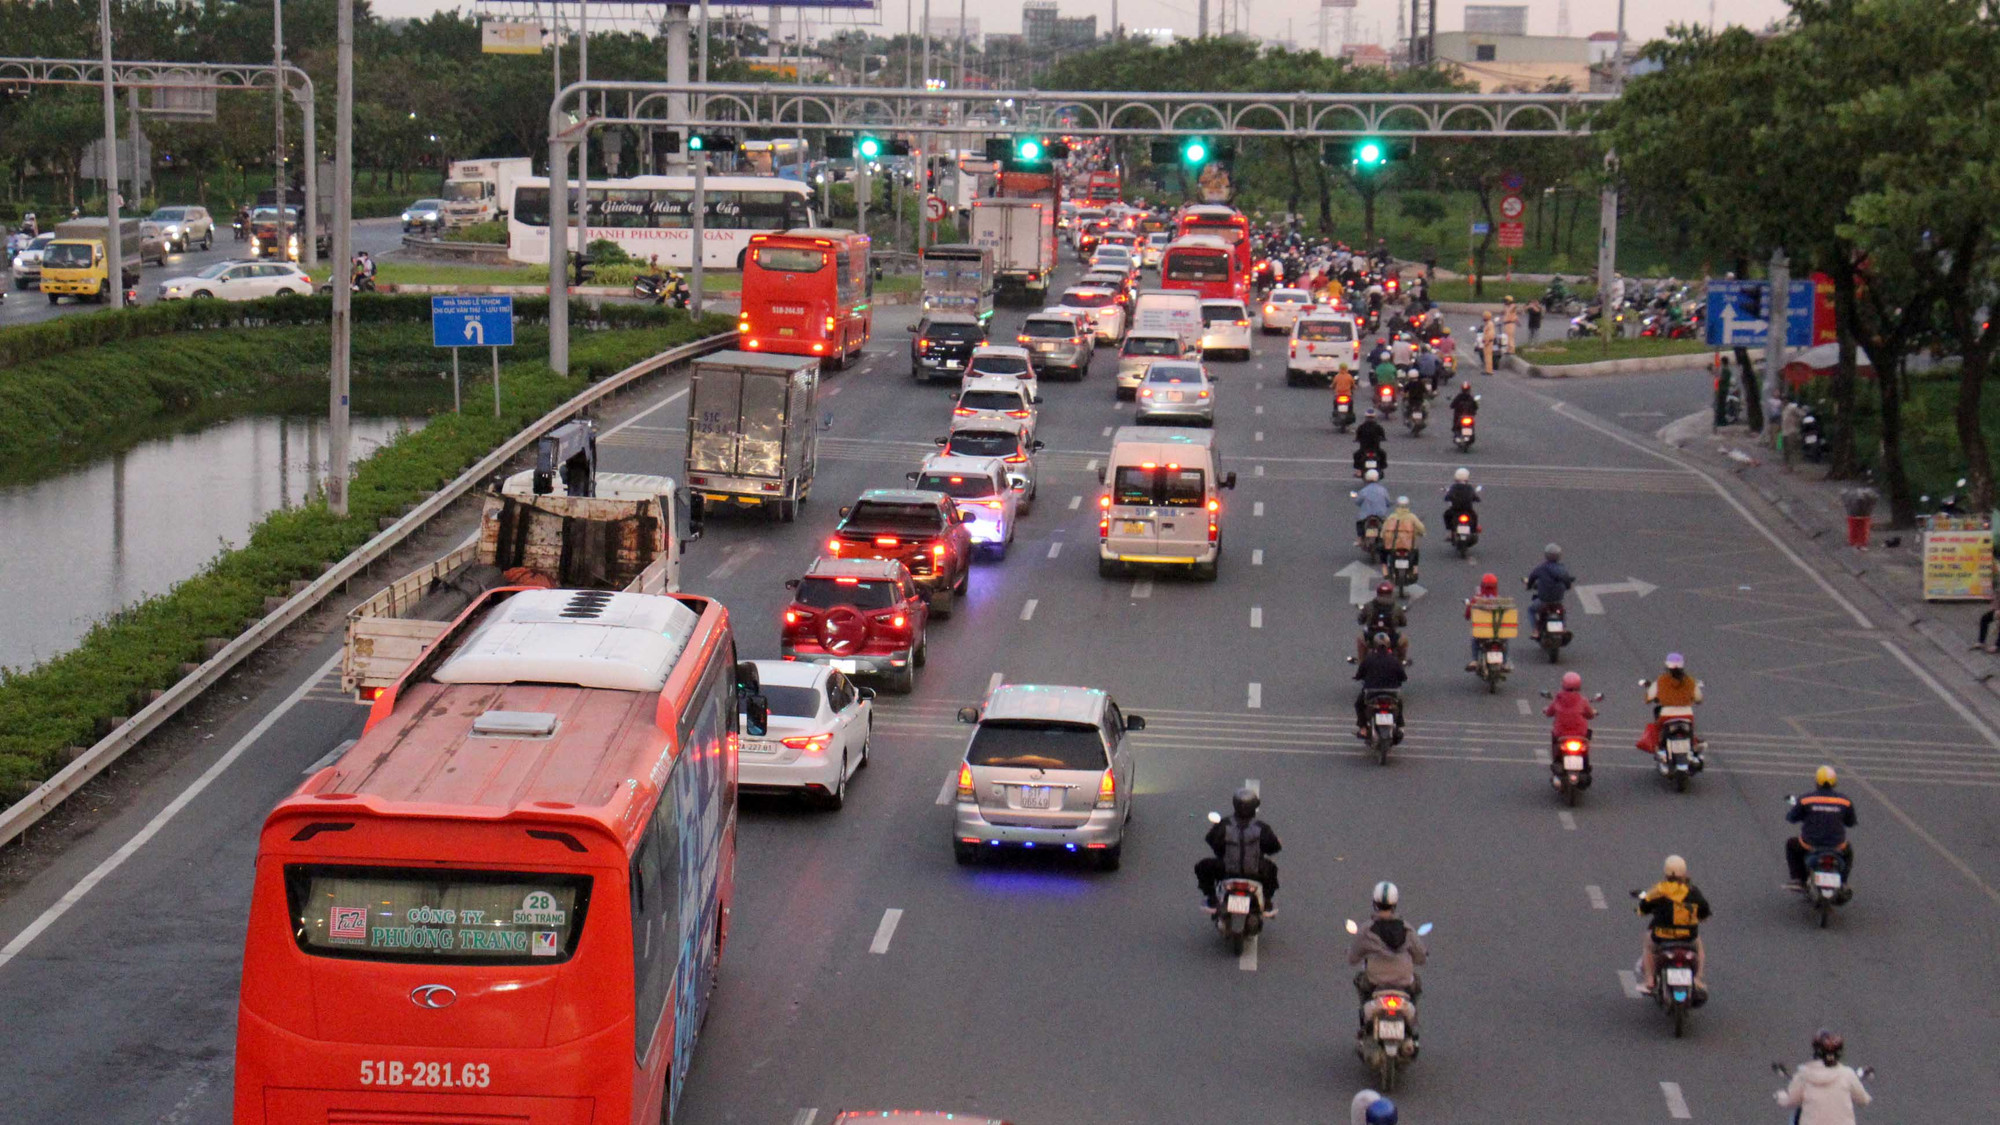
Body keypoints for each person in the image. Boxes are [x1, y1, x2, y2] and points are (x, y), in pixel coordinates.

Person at [1348, 881, 1427, 1036]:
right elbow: (1420, 957)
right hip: (1403, 981)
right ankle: (1412, 1025)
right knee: (1416, 983)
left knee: (1360, 981)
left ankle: (1365, 1024)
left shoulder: (1367, 930)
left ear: (1375, 903)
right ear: (1395, 904)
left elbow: (1353, 958)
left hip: (1376, 981)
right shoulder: (1407, 929)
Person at [1196, 786, 1282, 912]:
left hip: (1226, 870)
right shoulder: (1262, 828)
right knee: (1272, 870)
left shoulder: (1224, 824)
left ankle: (1212, 899)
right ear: (1254, 807)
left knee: (1202, 867)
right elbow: (1273, 848)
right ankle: (1267, 902)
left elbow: (1212, 842)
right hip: (1256, 872)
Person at [1635, 854, 1711, 993]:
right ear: (1684, 872)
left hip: (1662, 937)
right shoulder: (1693, 892)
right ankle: (1698, 979)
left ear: (1666, 872)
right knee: (1699, 948)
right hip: (1688, 937)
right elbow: (1704, 911)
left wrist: (1641, 910)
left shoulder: (1659, 890)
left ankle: (1650, 980)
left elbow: (1643, 907)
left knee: (1648, 947)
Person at [1774, 1030, 1872, 1125]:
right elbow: (1863, 1100)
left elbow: (1791, 1100)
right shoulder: (1847, 1074)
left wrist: (1779, 1096)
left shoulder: (1803, 1075)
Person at [1786, 766, 1858, 886]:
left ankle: (1798, 879)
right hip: (1837, 845)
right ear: (1834, 782)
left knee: (1791, 845)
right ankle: (1843, 882)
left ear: (1817, 782)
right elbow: (1850, 822)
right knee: (1848, 851)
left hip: (1810, 844)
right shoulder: (1845, 801)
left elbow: (1791, 818)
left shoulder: (1806, 799)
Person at [1638, 653, 1705, 754]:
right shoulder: (1690, 681)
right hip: (1687, 714)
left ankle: (1659, 749)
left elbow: (1649, 698)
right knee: (1691, 731)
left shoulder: (1661, 680)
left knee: (1656, 729)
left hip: (1667, 715)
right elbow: (1699, 699)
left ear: (1667, 666)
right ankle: (1694, 744)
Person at [1354, 631, 1409, 735]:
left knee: (1359, 704)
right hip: (1392, 692)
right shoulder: (1394, 660)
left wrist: (1358, 677)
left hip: (1371, 692)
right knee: (1399, 704)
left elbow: (1359, 674)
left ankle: (1363, 728)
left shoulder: (1368, 659)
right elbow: (1403, 677)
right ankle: (1400, 726)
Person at [1544, 671, 1597, 777]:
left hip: (1561, 734)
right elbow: (1590, 715)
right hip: (1580, 734)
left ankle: (1557, 761)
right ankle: (1585, 765)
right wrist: (1593, 712)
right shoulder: (1583, 700)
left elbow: (1549, 713)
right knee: (1586, 744)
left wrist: (1546, 710)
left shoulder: (1558, 699)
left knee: (1555, 740)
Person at [1463, 572, 1513, 670]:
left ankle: (1475, 660)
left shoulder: (1476, 600)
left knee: (1474, 639)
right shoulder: (1501, 601)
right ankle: (1505, 662)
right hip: (1497, 632)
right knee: (1505, 641)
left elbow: (1468, 615)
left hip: (1482, 632)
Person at [1526, 543, 1574, 637]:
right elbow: (1567, 581)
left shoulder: (1541, 568)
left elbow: (1532, 577)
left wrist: (1529, 586)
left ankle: (1536, 630)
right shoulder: (1562, 568)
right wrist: (1567, 586)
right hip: (1557, 600)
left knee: (1531, 610)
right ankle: (1563, 628)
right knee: (1562, 611)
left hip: (1544, 600)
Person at [1356, 586, 1408, 663]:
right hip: (1391, 637)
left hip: (1371, 637)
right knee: (1404, 641)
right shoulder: (1397, 607)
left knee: (1360, 639)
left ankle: (1361, 663)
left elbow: (1360, 620)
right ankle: (1401, 662)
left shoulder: (1368, 606)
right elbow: (1404, 623)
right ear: (1391, 594)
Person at [1380, 495, 1426, 574]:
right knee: (1415, 552)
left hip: (1392, 545)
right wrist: (1422, 533)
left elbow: (1384, 530)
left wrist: (1382, 537)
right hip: (1409, 545)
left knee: (1383, 551)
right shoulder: (1412, 517)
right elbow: (1421, 528)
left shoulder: (1392, 516)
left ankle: (1384, 569)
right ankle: (1415, 569)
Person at [1354, 470, 1392, 548]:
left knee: (1359, 523)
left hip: (1366, 515)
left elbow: (1357, 502)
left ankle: (1360, 539)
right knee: (1387, 526)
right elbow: (1388, 502)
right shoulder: (1383, 490)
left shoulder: (1364, 490)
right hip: (1380, 515)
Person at [1443, 467, 1479, 533]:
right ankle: (1473, 530)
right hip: (1468, 510)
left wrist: (1447, 498)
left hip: (1455, 510)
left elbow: (1448, 496)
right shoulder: (1469, 487)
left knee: (1446, 515)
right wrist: (1477, 499)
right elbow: (1475, 497)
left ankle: (1450, 529)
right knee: (1475, 516)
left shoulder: (1453, 487)